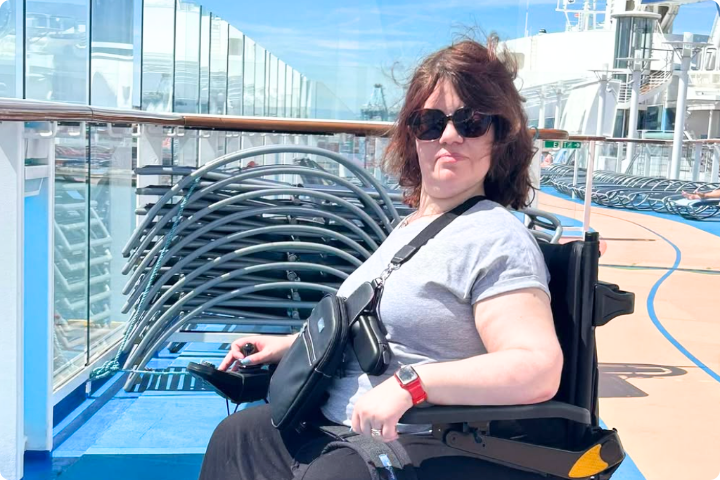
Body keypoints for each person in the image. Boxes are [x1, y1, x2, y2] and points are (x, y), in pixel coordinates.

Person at [198, 37, 563, 480]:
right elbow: (367, 325)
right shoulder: (408, 228)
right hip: (337, 428)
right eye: (431, 122)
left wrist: (413, 384)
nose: (449, 136)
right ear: (413, 136)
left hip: (412, 442)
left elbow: (538, 367)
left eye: (471, 121)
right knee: (238, 436)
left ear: (499, 136)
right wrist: (286, 346)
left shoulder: (496, 237)